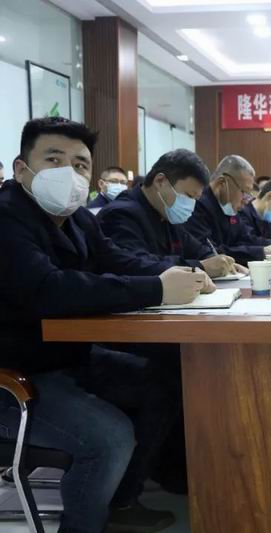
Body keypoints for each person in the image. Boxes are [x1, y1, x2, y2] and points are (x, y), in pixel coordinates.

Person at [0, 116, 211, 533]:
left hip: (68, 358)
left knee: (164, 382)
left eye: (80, 164)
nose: (69, 173)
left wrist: (185, 274)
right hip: (17, 377)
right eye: (53, 159)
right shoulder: (7, 220)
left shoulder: (78, 218)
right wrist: (156, 288)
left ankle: (122, 501)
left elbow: (117, 259)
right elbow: (50, 289)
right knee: (109, 439)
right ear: (21, 169)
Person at [97, 149, 246, 278]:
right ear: (160, 181)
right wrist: (201, 266)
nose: (191, 205)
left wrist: (218, 260)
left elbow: (196, 249)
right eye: (188, 196)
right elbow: (138, 265)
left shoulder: (167, 214)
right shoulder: (120, 214)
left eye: (196, 199)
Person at [184, 155, 271, 265]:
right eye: (243, 192)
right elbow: (211, 253)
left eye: (248, 194)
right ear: (222, 183)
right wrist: (262, 251)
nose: (246, 200)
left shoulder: (229, 207)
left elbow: (246, 239)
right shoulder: (197, 205)